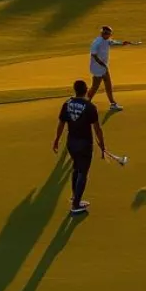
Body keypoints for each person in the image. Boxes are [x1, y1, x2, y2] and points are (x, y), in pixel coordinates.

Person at [53, 78, 106, 215]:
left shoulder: (67, 103)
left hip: (71, 143)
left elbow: (61, 124)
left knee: (76, 169)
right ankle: (76, 205)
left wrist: (57, 139)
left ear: (75, 90)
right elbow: (97, 128)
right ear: (86, 90)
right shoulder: (89, 107)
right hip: (84, 144)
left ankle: (75, 198)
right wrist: (102, 144)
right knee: (83, 172)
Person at [88, 24, 139, 111]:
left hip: (103, 67)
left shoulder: (107, 40)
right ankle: (86, 103)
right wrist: (102, 64)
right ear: (103, 33)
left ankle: (112, 104)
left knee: (108, 84)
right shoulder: (97, 42)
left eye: (109, 34)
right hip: (97, 68)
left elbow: (112, 42)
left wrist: (123, 43)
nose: (109, 35)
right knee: (95, 87)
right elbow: (94, 55)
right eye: (107, 34)